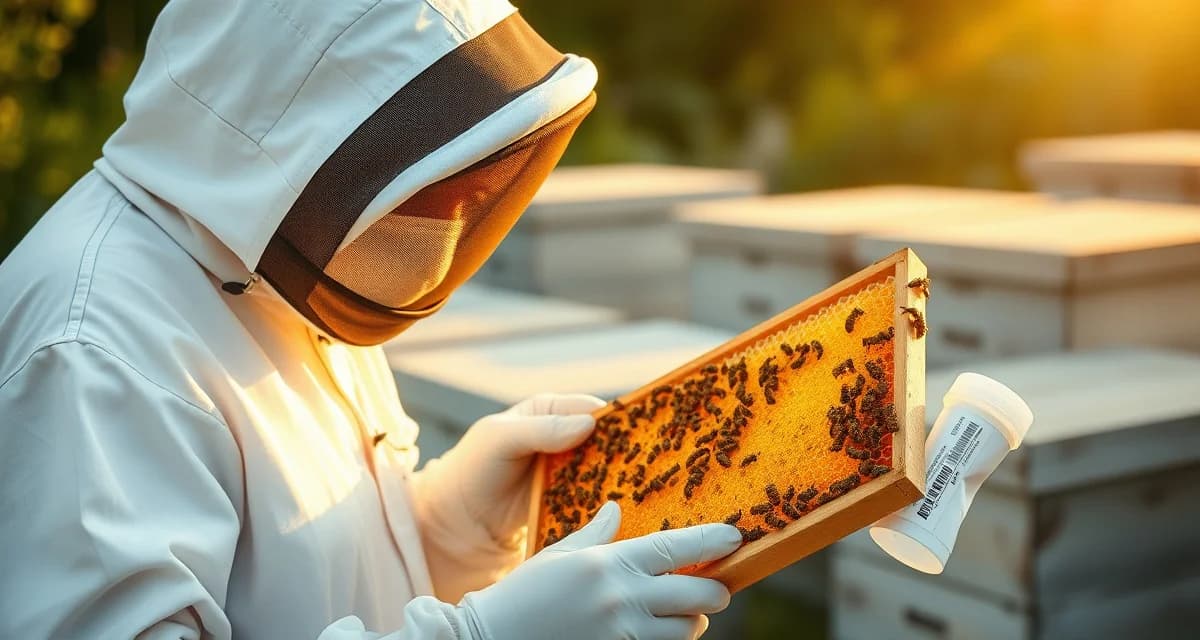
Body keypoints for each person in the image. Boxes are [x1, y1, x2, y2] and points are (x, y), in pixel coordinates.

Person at [0, 1, 742, 638]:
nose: (457, 212)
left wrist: (445, 530)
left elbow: (299, 583)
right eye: (439, 171)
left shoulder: (265, 260)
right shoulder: (90, 349)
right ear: (303, 137)